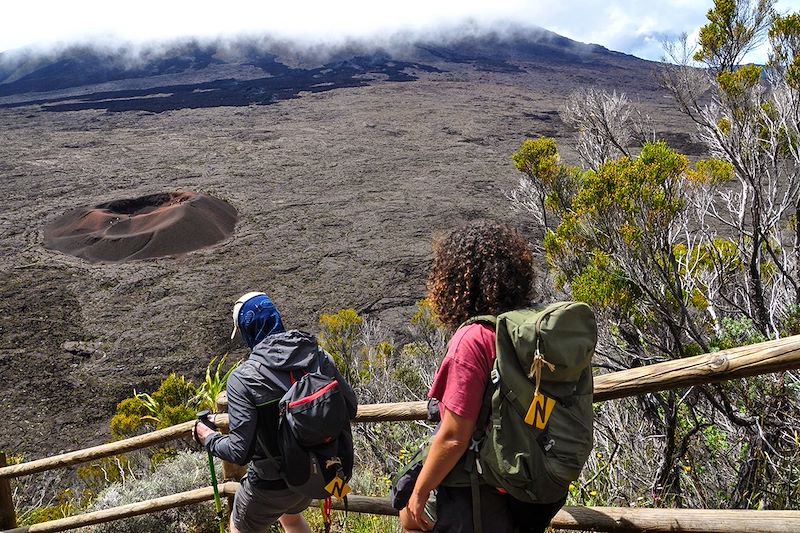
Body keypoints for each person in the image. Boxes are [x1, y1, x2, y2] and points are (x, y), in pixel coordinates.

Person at [400, 220, 567, 533]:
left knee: (414, 521)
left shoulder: (473, 338)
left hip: (480, 488)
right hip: (534, 481)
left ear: (455, 282)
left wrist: (418, 495)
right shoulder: (530, 333)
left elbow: (454, 436)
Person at [194, 291, 357, 533]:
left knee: (239, 526)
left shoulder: (243, 379)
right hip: (315, 476)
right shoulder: (318, 356)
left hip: (272, 484)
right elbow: (351, 408)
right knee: (290, 518)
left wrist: (208, 439)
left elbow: (240, 451)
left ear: (247, 330)